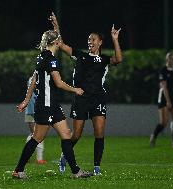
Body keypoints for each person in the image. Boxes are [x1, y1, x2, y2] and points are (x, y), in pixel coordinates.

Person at [49, 12, 123, 175]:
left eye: (93, 40)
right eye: (89, 40)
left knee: (99, 133)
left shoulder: (104, 60)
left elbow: (118, 59)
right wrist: (56, 25)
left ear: (100, 42)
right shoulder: (80, 55)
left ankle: (96, 167)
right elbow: (60, 44)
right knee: (76, 135)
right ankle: (64, 156)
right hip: (81, 98)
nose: (90, 42)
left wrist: (115, 39)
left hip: (98, 98)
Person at [12, 29, 91, 179]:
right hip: (45, 105)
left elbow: (34, 80)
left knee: (66, 134)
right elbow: (59, 83)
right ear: (56, 42)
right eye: (59, 40)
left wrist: (26, 100)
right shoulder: (51, 59)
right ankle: (18, 170)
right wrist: (76, 90)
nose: (60, 42)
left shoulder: (41, 56)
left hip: (53, 105)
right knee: (37, 138)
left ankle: (76, 172)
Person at [149, 52, 173, 148]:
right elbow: (164, 87)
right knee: (164, 122)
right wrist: (168, 101)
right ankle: (154, 136)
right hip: (164, 98)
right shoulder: (163, 71)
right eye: (172, 58)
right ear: (168, 60)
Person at [24, 77, 46, 164]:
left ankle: (26, 156)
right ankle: (39, 159)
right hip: (32, 112)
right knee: (38, 134)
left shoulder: (32, 79)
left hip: (30, 111)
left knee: (34, 134)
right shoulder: (36, 79)